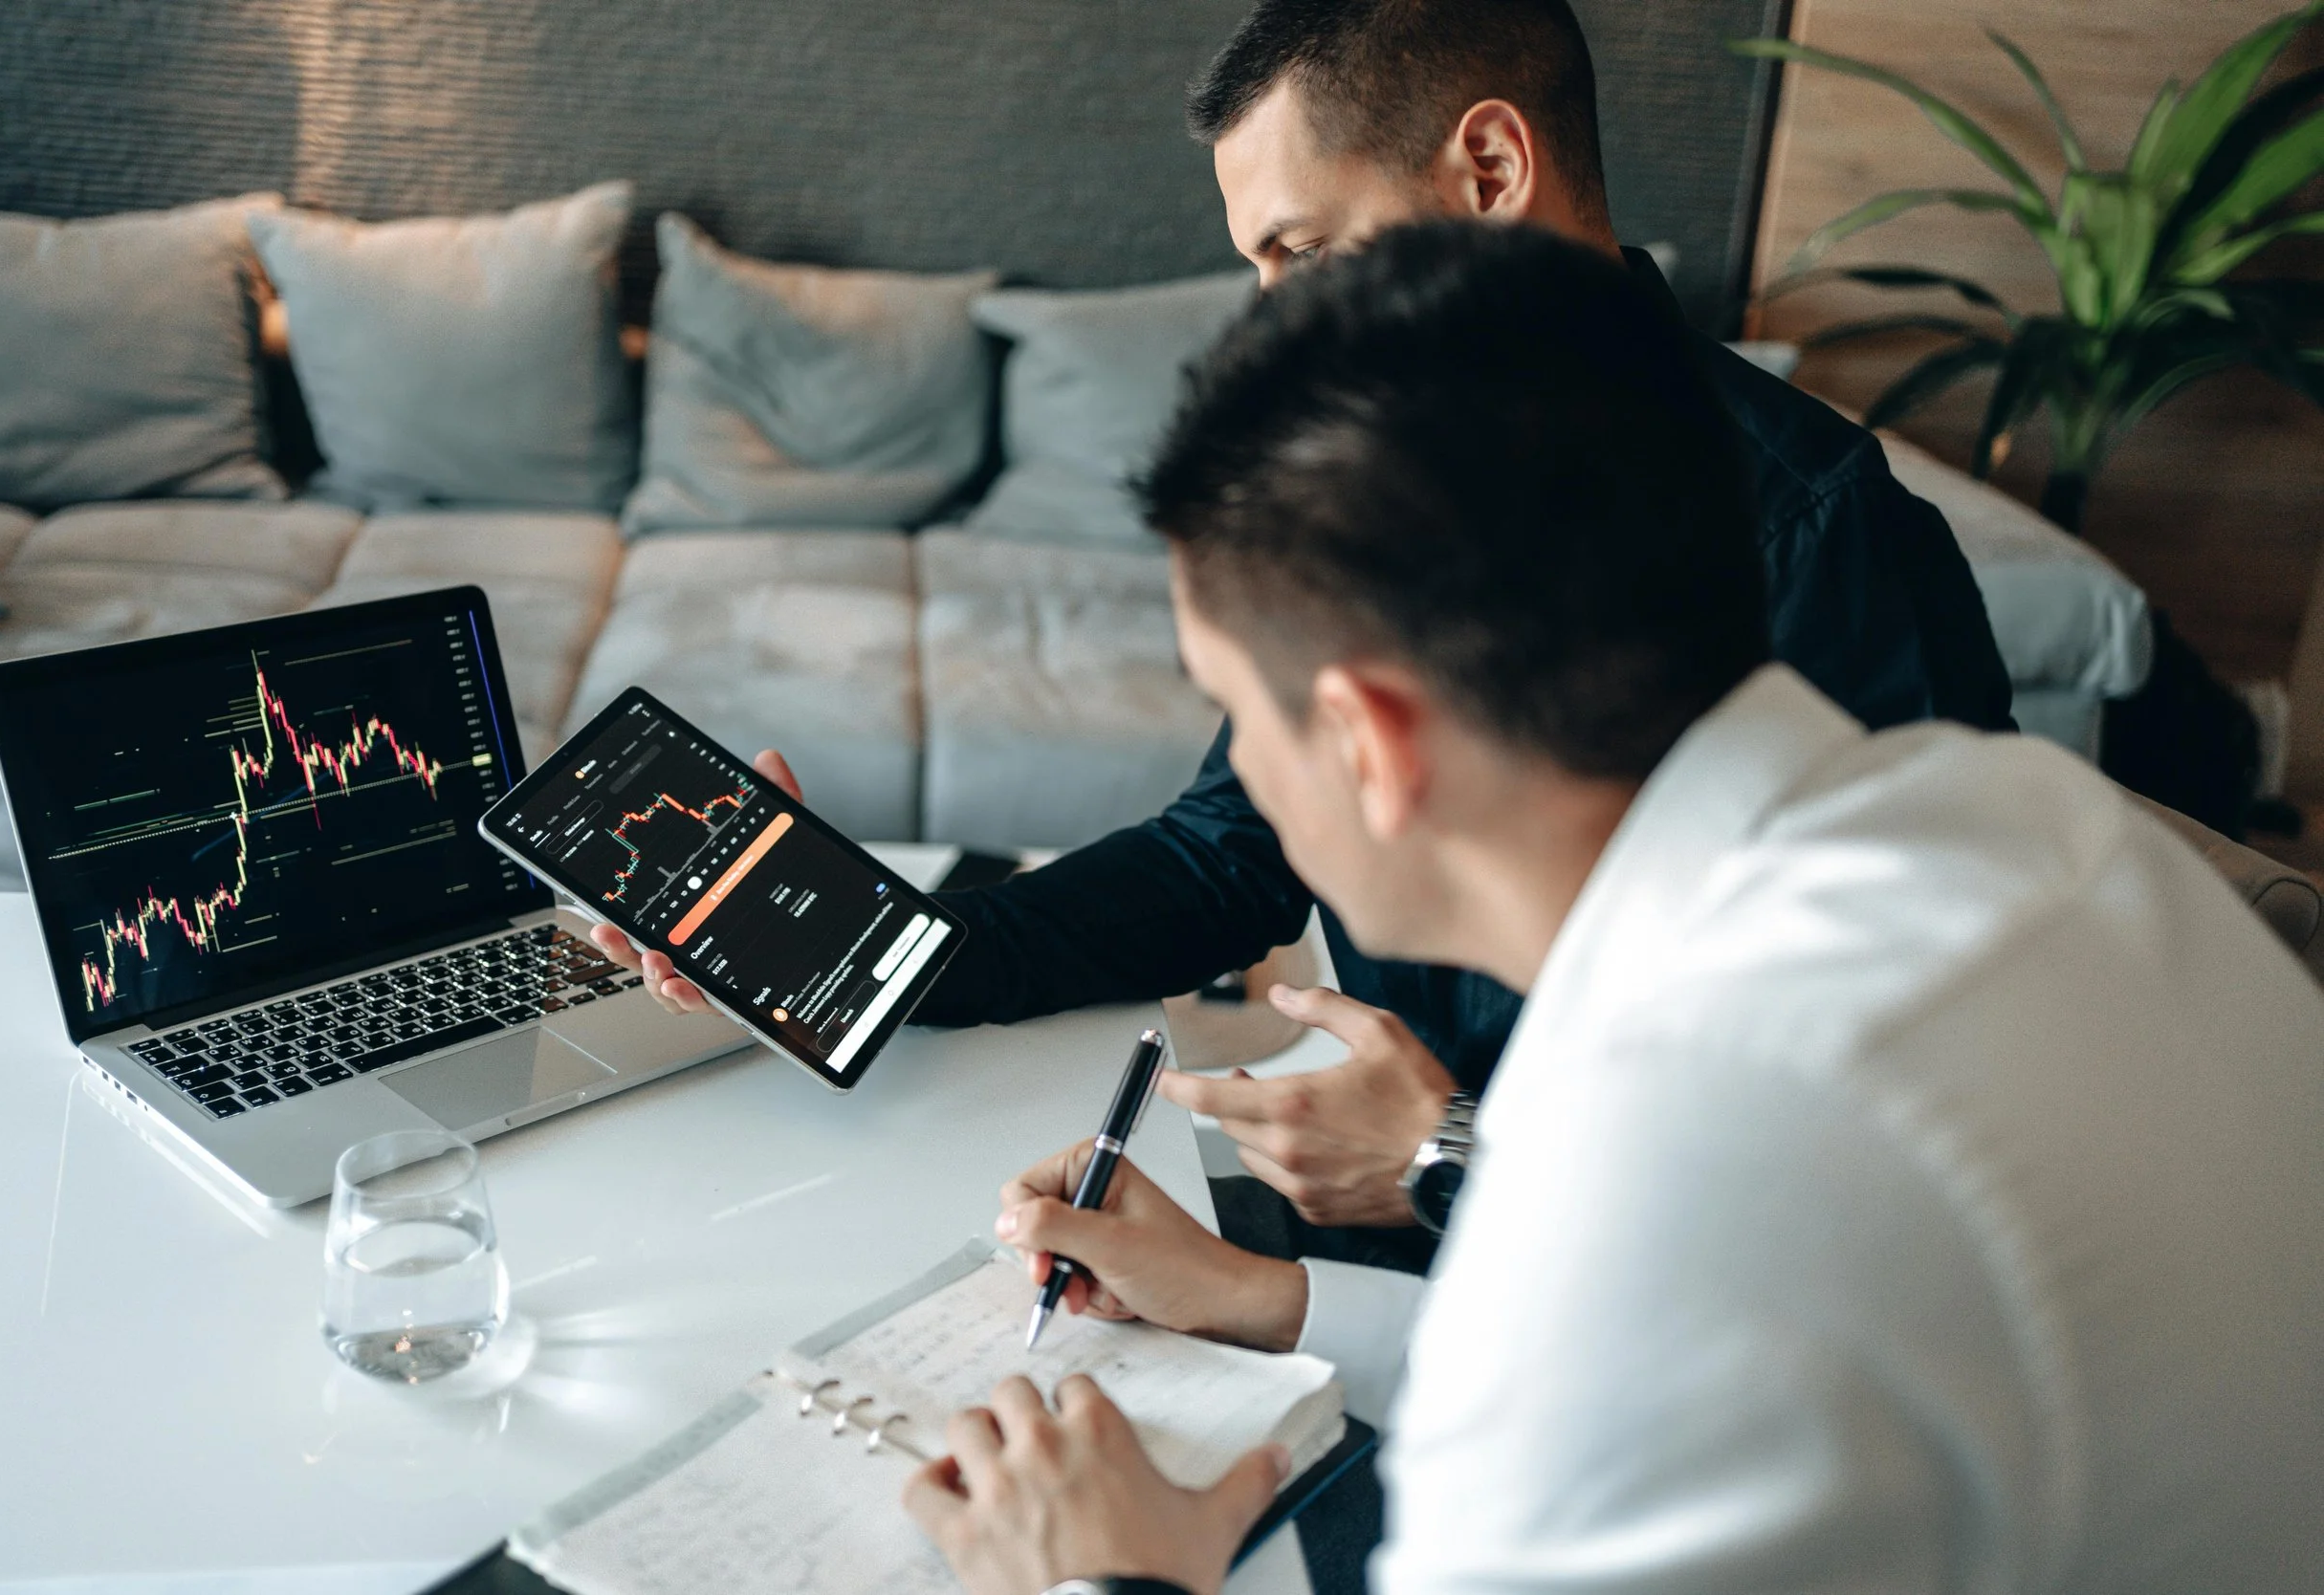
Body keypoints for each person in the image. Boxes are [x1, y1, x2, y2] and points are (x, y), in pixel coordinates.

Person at [897, 223, 2324, 1595]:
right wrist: (1263, 1298)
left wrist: (1105, 1576)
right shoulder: (2023, 820)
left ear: (1373, 748)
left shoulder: (1670, 1147)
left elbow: (1645, 1293)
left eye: (1234, 710)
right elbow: (1641, 1345)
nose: (1236, 769)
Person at [596, 0, 2017, 1262]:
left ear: (1491, 171)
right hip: (1421, 1219)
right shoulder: (1386, 485)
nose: (1276, 320)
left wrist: (1449, 1159)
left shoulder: (1821, 537)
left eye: (1303, 250)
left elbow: (1881, 1131)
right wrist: (851, 947)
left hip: (1630, 1295)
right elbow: (1224, 855)